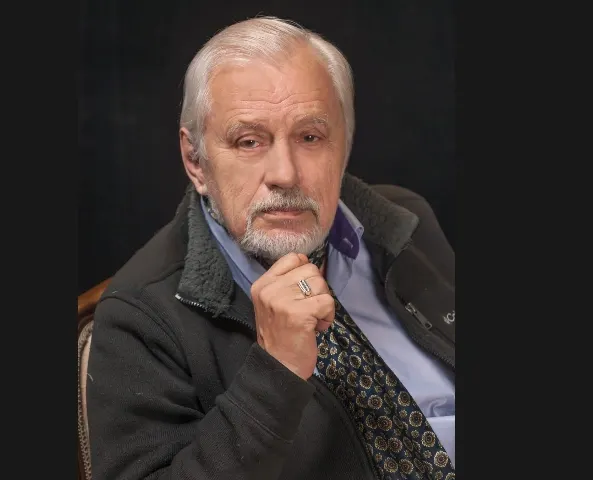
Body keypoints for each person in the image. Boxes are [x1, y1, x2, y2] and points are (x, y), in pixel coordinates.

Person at [87, 16, 455, 480]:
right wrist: (273, 371)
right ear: (195, 160)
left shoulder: (405, 222)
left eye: (310, 137)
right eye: (249, 141)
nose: (285, 174)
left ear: (344, 144)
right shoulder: (139, 315)